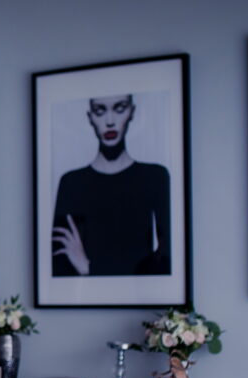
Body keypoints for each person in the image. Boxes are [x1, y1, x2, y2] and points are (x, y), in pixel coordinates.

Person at [51, 94, 170, 277]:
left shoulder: (154, 177)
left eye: (119, 108)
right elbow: (59, 264)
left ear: (132, 112)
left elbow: (166, 259)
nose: (110, 121)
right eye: (100, 111)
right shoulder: (72, 183)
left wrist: (90, 269)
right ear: (90, 117)